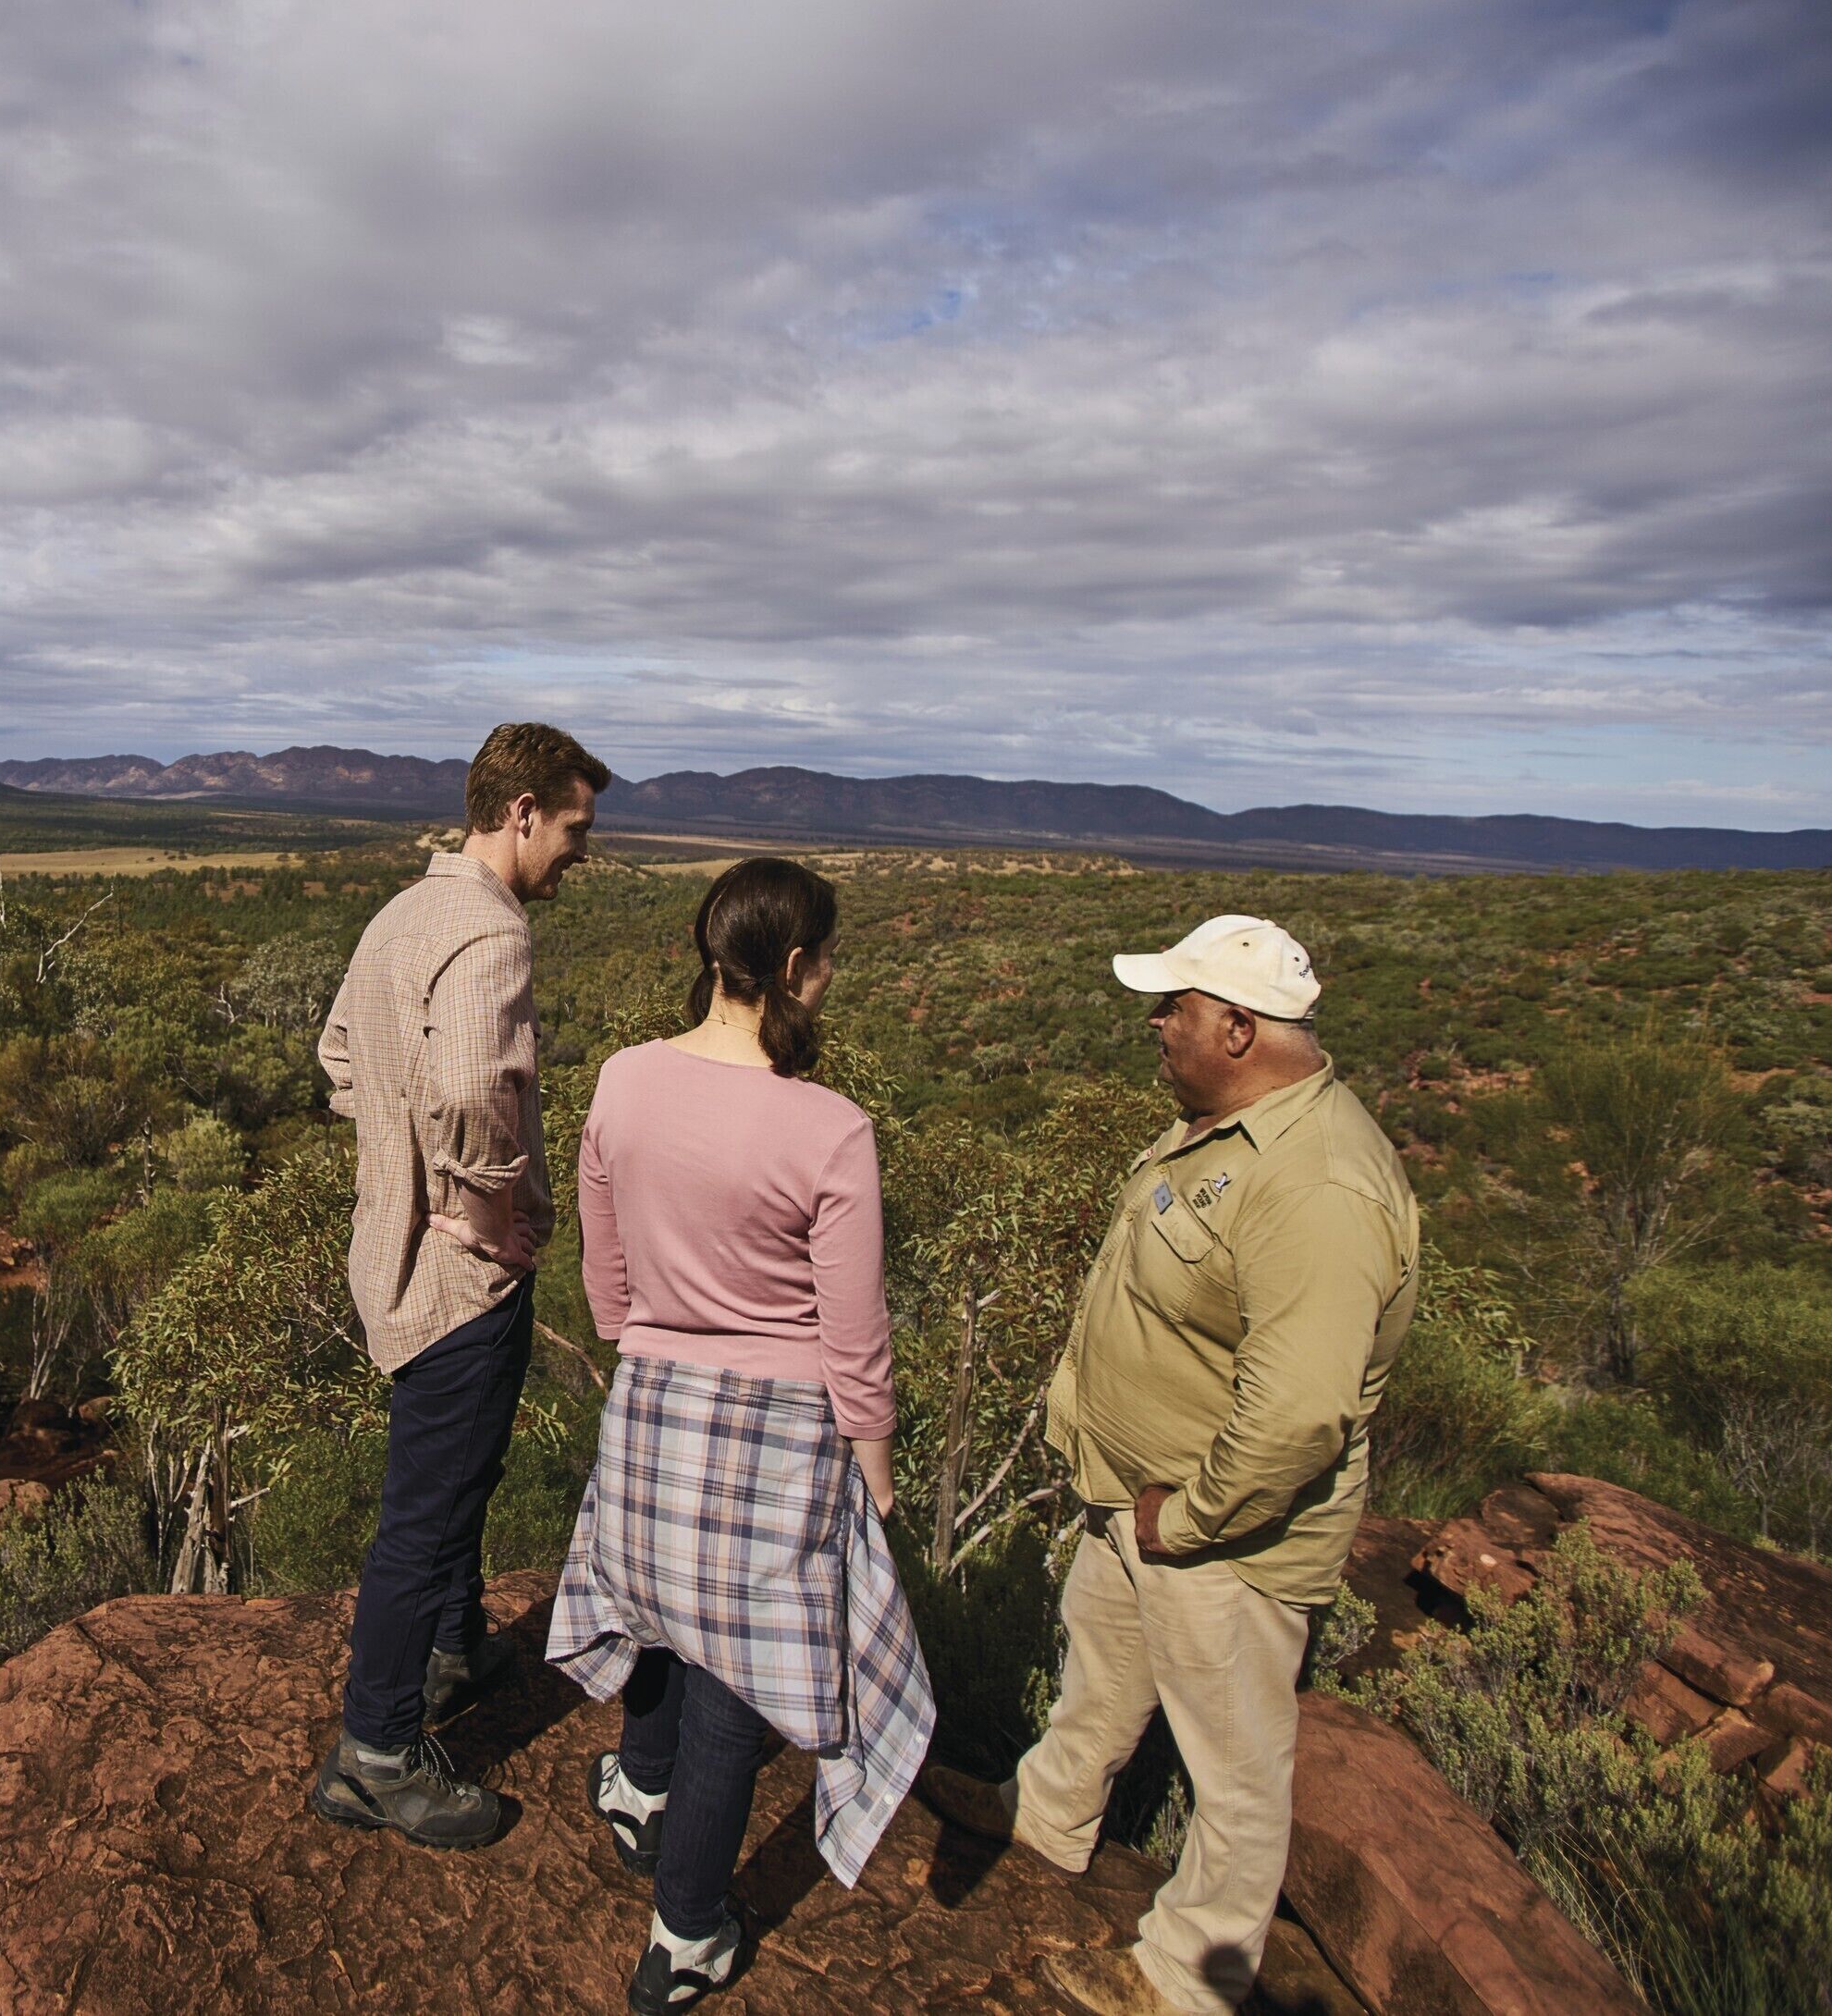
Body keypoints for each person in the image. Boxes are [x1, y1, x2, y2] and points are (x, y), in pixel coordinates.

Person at [952, 916, 1419, 2016]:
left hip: (1218, 1529)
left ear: (1241, 1026)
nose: (1156, 1023)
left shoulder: (1317, 1185)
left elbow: (1301, 1411)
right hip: (1135, 1495)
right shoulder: (1223, 1122)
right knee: (1100, 1672)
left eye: (1176, 1007)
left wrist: (1192, 1516)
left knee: (1234, 1765)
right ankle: (1048, 1822)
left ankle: (1185, 1978)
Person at [545, 858, 936, 2014]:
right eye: (831, 959)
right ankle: (687, 1929)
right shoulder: (831, 1129)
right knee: (736, 1670)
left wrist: (639, 1341)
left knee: (658, 1598)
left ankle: (638, 1785)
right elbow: (853, 1331)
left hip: (654, 1390)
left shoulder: (623, 1078)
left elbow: (601, 1264)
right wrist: (875, 1466)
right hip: (781, 1422)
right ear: (799, 967)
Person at [307, 720, 611, 1850]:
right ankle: (377, 1755)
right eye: (575, 825)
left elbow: (341, 1056)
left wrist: (393, 1152)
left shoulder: (402, 912)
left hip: (395, 1258)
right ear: (521, 812)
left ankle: (450, 1648)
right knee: (424, 1509)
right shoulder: (488, 935)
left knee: (456, 1473)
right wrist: (480, 1206)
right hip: (457, 1276)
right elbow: (473, 1087)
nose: (583, 848)